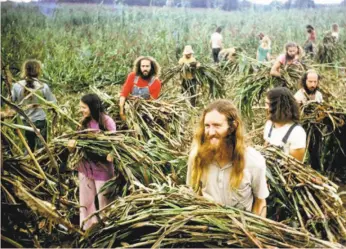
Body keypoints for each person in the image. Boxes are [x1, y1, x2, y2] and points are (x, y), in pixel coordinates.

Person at [187, 100, 269, 217]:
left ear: (232, 127)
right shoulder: (197, 157)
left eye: (217, 126)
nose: (210, 132)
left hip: (242, 228)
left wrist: (254, 232)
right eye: (207, 126)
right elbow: (193, 192)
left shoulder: (253, 162)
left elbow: (260, 201)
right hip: (208, 227)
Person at [67, 94, 116, 230]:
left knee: (105, 200)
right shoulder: (84, 123)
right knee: (86, 201)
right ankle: (88, 227)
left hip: (102, 168)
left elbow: (114, 144)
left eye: (84, 107)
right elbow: (77, 143)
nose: (81, 110)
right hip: (85, 167)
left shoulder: (107, 122)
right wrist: (71, 147)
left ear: (93, 107)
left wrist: (110, 153)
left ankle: (108, 228)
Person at [11, 59, 56, 151]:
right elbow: (53, 103)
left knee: (27, 147)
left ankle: (27, 163)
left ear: (25, 70)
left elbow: (11, 102)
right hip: (40, 121)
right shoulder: (43, 86)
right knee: (42, 148)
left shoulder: (17, 85)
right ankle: (41, 164)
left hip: (24, 122)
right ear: (38, 70)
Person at [264, 87, 306, 162]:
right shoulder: (269, 124)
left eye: (268, 104)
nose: (265, 107)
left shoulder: (297, 132)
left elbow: (295, 166)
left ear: (278, 107)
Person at [119, 56, 161, 121]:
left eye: (147, 66)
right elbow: (124, 93)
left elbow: (151, 102)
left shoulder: (156, 82)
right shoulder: (132, 76)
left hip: (145, 110)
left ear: (152, 67)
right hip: (129, 107)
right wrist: (121, 112)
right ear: (139, 67)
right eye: (143, 66)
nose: (145, 68)